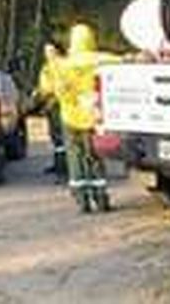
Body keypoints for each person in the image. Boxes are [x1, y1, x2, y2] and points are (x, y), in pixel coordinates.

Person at [55, 23, 119, 213]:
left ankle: (81, 199)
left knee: (75, 158)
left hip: (70, 118)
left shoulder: (62, 65)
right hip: (93, 118)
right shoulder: (101, 60)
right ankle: (101, 198)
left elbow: (49, 87)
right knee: (95, 157)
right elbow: (122, 61)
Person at [33, 43, 67, 184]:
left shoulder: (64, 65)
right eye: (46, 51)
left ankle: (63, 169)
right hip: (51, 105)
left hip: (60, 105)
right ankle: (59, 165)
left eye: (51, 50)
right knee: (56, 138)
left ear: (58, 51)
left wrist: (44, 93)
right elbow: (44, 86)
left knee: (61, 139)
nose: (48, 54)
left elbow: (52, 87)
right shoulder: (47, 67)